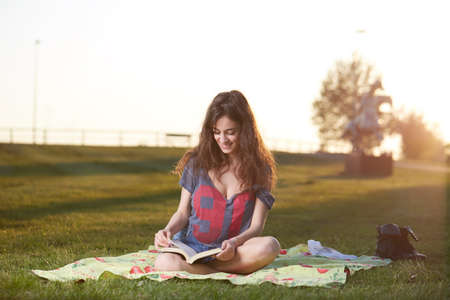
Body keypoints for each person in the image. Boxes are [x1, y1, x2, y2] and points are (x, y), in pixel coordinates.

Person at [154, 90, 281, 275]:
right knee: (165, 262)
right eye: (216, 132)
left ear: (245, 130)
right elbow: (182, 212)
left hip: (233, 250)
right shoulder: (197, 163)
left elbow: (256, 227)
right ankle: (218, 270)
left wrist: (233, 243)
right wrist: (166, 230)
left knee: (270, 246)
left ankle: (201, 271)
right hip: (192, 248)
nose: (222, 140)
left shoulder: (261, 170)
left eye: (230, 133)